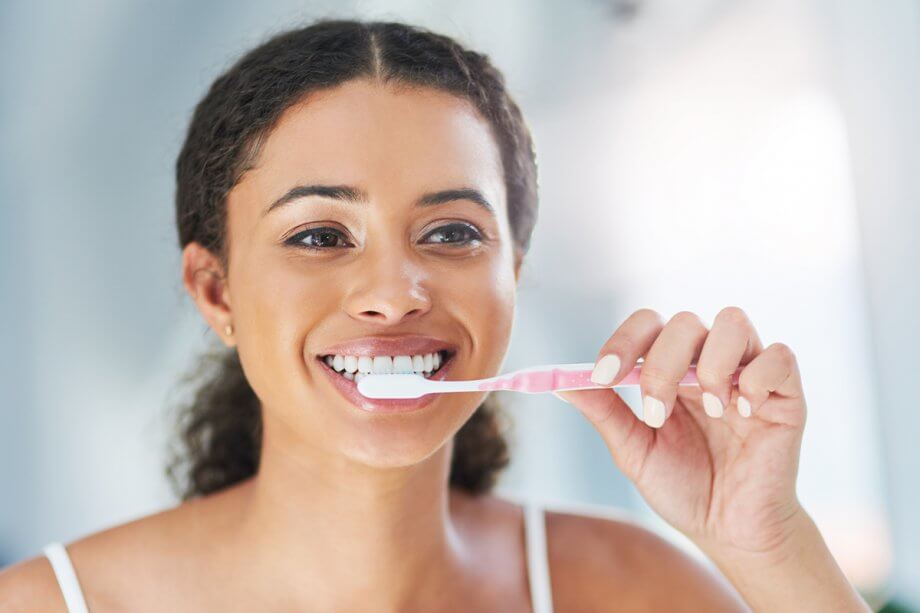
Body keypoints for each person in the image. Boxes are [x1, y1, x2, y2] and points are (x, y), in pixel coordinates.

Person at [0, 18, 869, 612]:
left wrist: (770, 546)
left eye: (452, 231)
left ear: (513, 276)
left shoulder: (629, 588)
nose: (395, 289)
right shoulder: (54, 604)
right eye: (319, 234)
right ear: (216, 291)